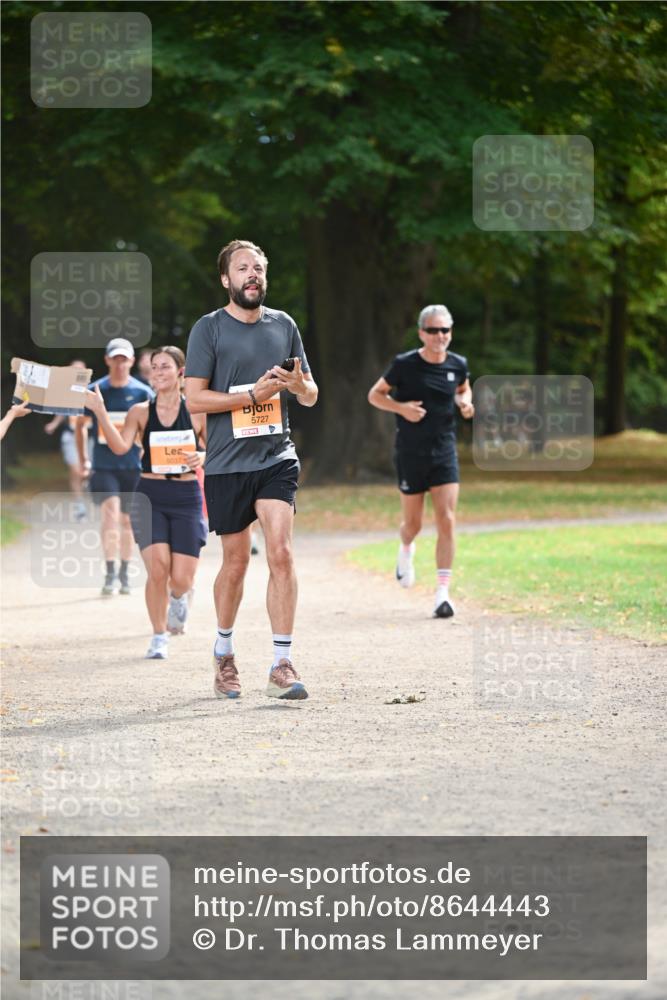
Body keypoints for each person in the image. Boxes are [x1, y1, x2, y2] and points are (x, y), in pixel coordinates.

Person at [185, 239, 318, 701]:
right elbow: (195, 399)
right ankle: (224, 653)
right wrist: (252, 396)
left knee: (280, 552)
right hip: (226, 463)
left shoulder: (283, 325)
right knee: (236, 563)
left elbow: (311, 393)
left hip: (276, 457)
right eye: (243, 269)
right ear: (226, 279)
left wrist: (298, 384)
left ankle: (281, 663)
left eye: (258, 268)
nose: (252, 275)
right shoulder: (208, 330)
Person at [86, 346, 207, 659]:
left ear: (181, 372)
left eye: (165, 367)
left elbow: (221, 450)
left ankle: (179, 598)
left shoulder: (197, 411)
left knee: (181, 578)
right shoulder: (140, 411)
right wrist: (99, 411)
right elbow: (120, 446)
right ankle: (158, 635)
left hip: (186, 496)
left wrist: (203, 455)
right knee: (158, 569)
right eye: (153, 368)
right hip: (149, 495)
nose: (157, 373)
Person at [368, 304, 474, 619]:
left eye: (445, 330)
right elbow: (375, 395)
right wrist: (402, 409)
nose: (440, 336)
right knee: (413, 525)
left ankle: (442, 593)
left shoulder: (458, 364)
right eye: (433, 330)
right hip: (411, 452)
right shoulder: (405, 365)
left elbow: (463, 389)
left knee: (447, 519)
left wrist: (466, 403)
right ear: (421, 333)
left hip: (444, 451)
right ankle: (405, 549)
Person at [76, 338, 154, 596]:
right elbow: (80, 426)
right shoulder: (95, 390)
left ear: (132, 361)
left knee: (127, 522)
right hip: (104, 465)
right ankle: (109, 573)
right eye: (115, 358)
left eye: (125, 359)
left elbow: (153, 427)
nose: (120, 363)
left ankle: (123, 571)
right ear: (108, 360)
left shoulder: (143, 392)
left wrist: (148, 453)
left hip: (132, 466)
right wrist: (84, 460)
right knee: (110, 515)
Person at [44, 359, 91, 521]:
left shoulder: (93, 389)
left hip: (90, 436)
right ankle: (79, 505)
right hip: (70, 435)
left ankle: (85, 483)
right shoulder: (65, 391)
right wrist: (54, 424)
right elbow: (61, 412)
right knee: (75, 469)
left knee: (87, 471)